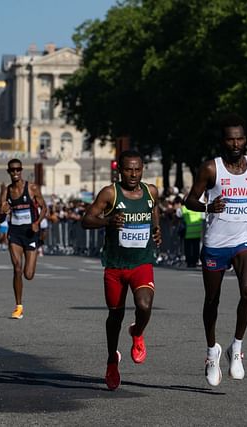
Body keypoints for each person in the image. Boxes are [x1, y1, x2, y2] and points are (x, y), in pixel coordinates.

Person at [184, 113, 247, 387]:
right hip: (216, 243)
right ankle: (212, 352)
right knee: (212, 300)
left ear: (246, 140)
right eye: (230, 139)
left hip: (243, 238)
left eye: (240, 138)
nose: (236, 143)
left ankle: (237, 348)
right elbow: (190, 201)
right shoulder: (210, 168)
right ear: (223, 141)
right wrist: (209, 206)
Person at [81, 150, 161, 391]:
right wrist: (108, 221)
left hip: (141, 262)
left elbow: (153, 211)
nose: (133, 174)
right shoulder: (110, 193)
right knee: (114, 317)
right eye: (128, 169)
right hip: (115, 266)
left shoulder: (150, 191)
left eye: (137, 169)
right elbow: (86, 220)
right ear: (120, 170)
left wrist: (157, 230)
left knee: (144, 305)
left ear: (143, 169)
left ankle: (137, 332)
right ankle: (111, 360)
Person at [0, 159, 47, 319]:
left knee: (28, 274)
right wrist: (2, 212)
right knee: (17, 268)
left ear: (21, 170)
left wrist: (37, 223)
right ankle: (18, 307)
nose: (15, 173)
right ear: (8, 172)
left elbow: (44, 207)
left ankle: (32, 260)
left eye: (18, 169)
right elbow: (0, 217)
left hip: (30, 233)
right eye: (12, 170)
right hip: (15, 233)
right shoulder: (6, 191)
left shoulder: (32, 188)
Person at [180, 203, 203, 268]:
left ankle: (189, 262)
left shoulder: (184, 208)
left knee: (188, 249)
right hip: (197, 232)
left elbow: (178, 214)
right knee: (196, 248)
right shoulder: (198, 207)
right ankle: (195, 262)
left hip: (188, 233)